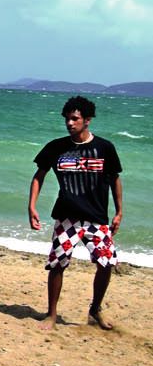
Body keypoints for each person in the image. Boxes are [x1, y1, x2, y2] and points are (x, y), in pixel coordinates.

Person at [29, 96, 124, 331]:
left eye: (75, 119)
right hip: (67, 217)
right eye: (67, 119)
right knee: (57, 264)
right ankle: (51, 314)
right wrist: (31, 206)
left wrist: (119, 211)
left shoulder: (104, 148)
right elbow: (39, 176)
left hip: (96, 218)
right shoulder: (56, 147)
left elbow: (115, 180)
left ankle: (95, 308)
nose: (70, 123)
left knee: (106, 263)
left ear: (87, 120)